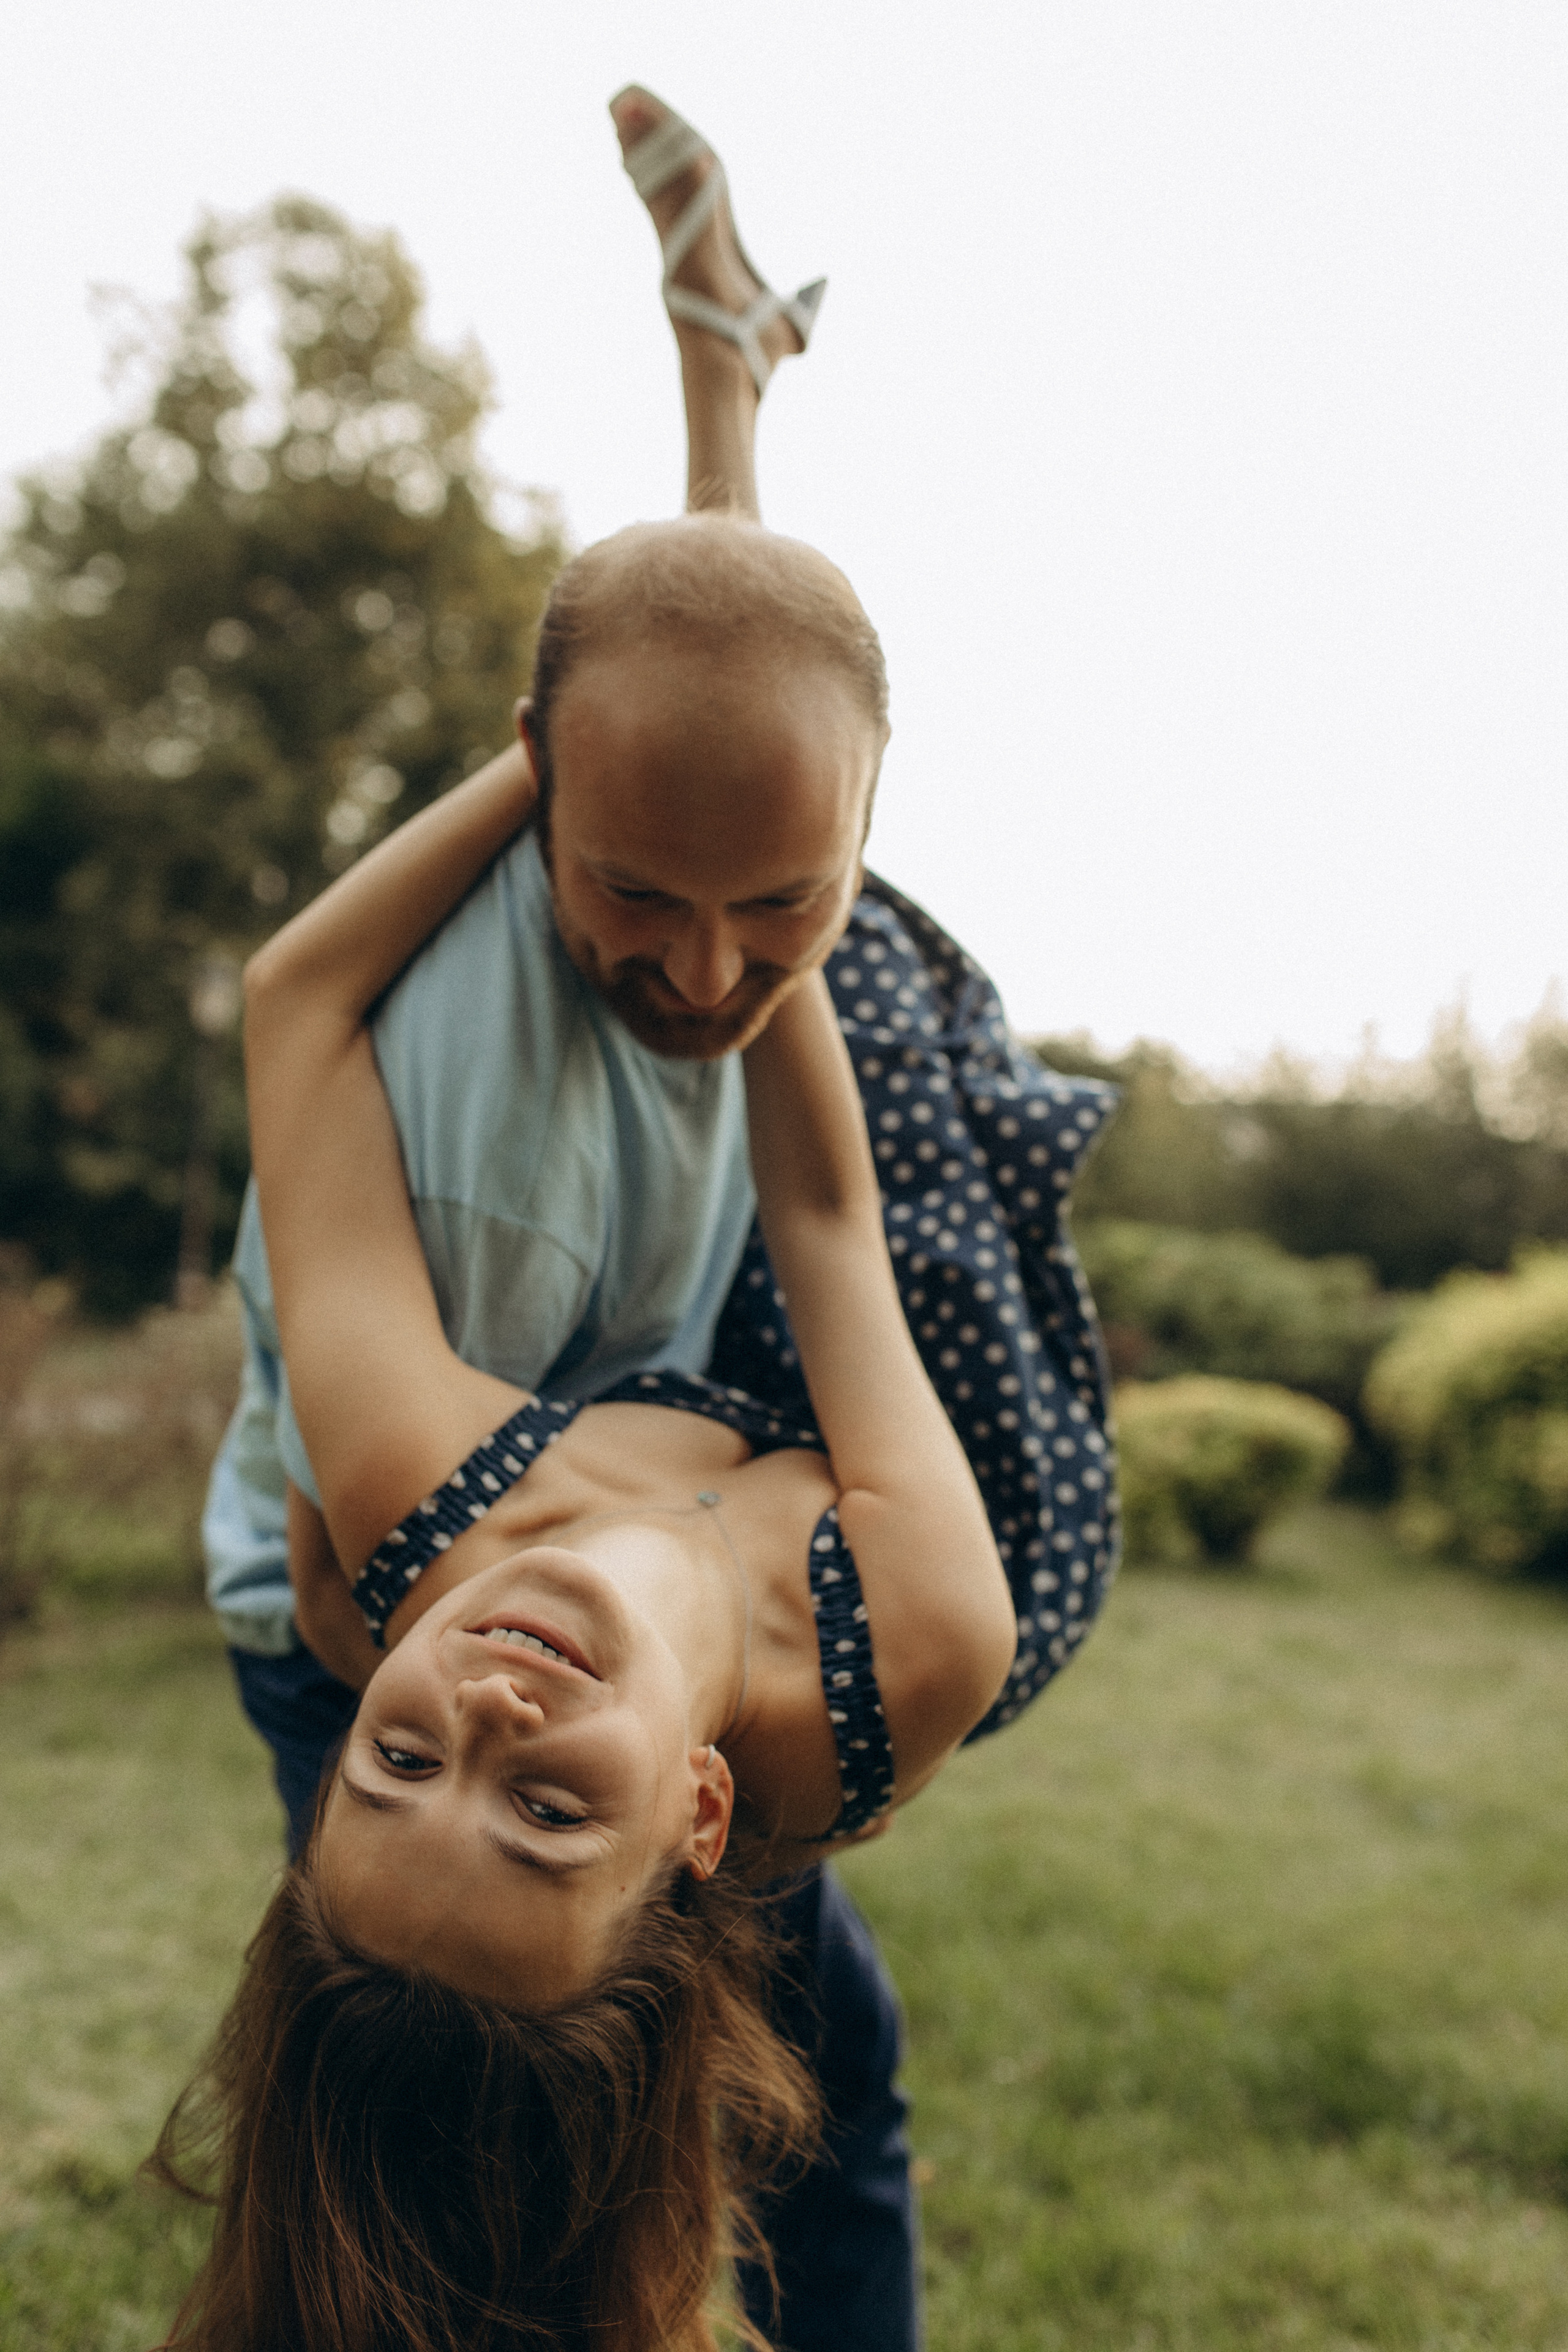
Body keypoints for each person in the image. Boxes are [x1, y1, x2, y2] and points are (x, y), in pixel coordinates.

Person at [187, 84, 1118, 2352]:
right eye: (540, 1809)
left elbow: (299, 1010)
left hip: (471, 1517)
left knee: (576, 2097)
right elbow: (827, 1209)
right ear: (704, 1813)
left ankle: (723, 394)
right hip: (869, 1598)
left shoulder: (412, 1507)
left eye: (403, 1757)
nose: (475, 1720)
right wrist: (625, 768)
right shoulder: (916, 1639)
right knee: (668, 2139)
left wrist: (591, 748)